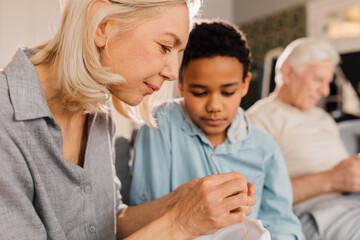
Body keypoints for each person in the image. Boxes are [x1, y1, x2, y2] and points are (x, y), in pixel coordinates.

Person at [0, 1, 257, 239]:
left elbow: (107, 222)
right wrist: (180, 223)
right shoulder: (5, 118)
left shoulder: (99, 111)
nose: (171, 73)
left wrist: (183, 199)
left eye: (176, 53)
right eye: (165, 46)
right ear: (103, 27)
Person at [130, 19, 305, 240]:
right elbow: (149, 215)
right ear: (181, 85)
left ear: (244, 84)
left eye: (228, 92)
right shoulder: (160, 124)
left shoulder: (264, 148)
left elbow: (283, 223)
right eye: (200, 92)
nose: (214, 106)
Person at [247, 37, 360, 239]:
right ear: (289, 73)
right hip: (317, 212)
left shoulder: (323, 117)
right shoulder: (259, 120)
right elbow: (254, 197)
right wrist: (332, 179)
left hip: (353, 203)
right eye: (318, 80)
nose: (325, 91)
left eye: (327, 83)